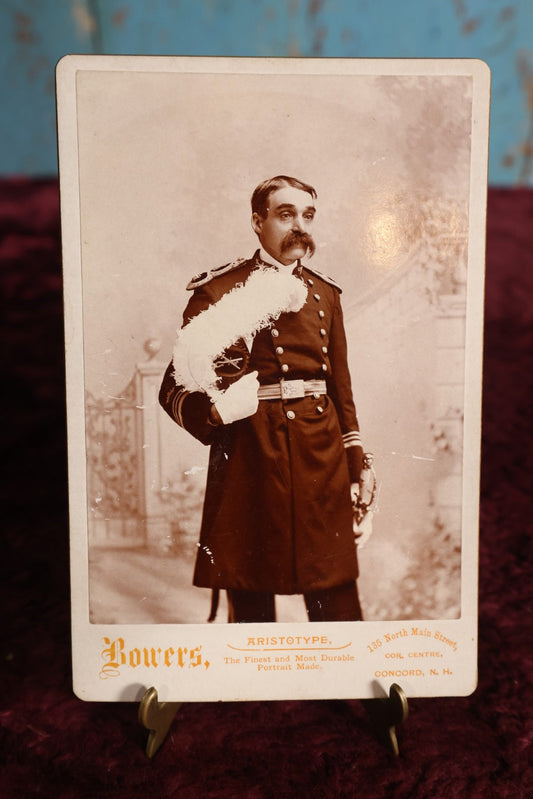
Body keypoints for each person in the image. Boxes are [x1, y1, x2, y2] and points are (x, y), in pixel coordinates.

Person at [159, 175, 372, 623]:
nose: (299, 225)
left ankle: (346, 693)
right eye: (285, 214)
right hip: (251, 457)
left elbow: (341, 389)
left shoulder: (325, 294)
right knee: (252, 609)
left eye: (307, 215)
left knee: (336, 605)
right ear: (258, 222)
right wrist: (215, 410)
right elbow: (174, 388)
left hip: (321, 457)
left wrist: (357, 466)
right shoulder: (220, 292)